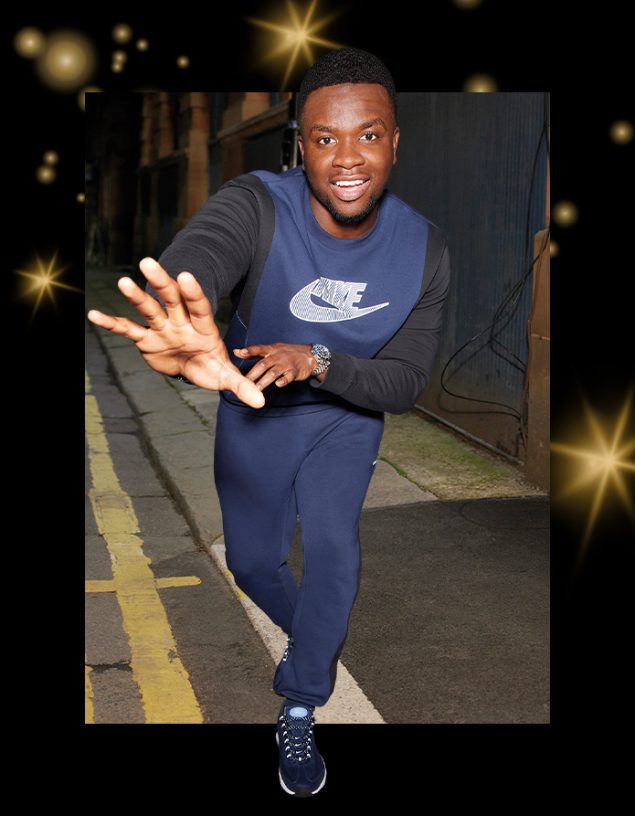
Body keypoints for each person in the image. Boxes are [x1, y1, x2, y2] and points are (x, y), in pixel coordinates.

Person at [87, 47, 451, 796]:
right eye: (324, 138)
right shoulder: (256, 203)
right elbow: (204, 254)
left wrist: (318, 360)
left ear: (394, 141)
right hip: (254, 406)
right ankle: (314, 641)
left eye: (367, 134)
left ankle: (301, 699)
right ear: (300, 146)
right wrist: (186, 309)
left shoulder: (425, 250)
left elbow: (404, 384)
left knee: (332, 550)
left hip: (345, 415)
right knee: (253, 564)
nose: (346, 157)